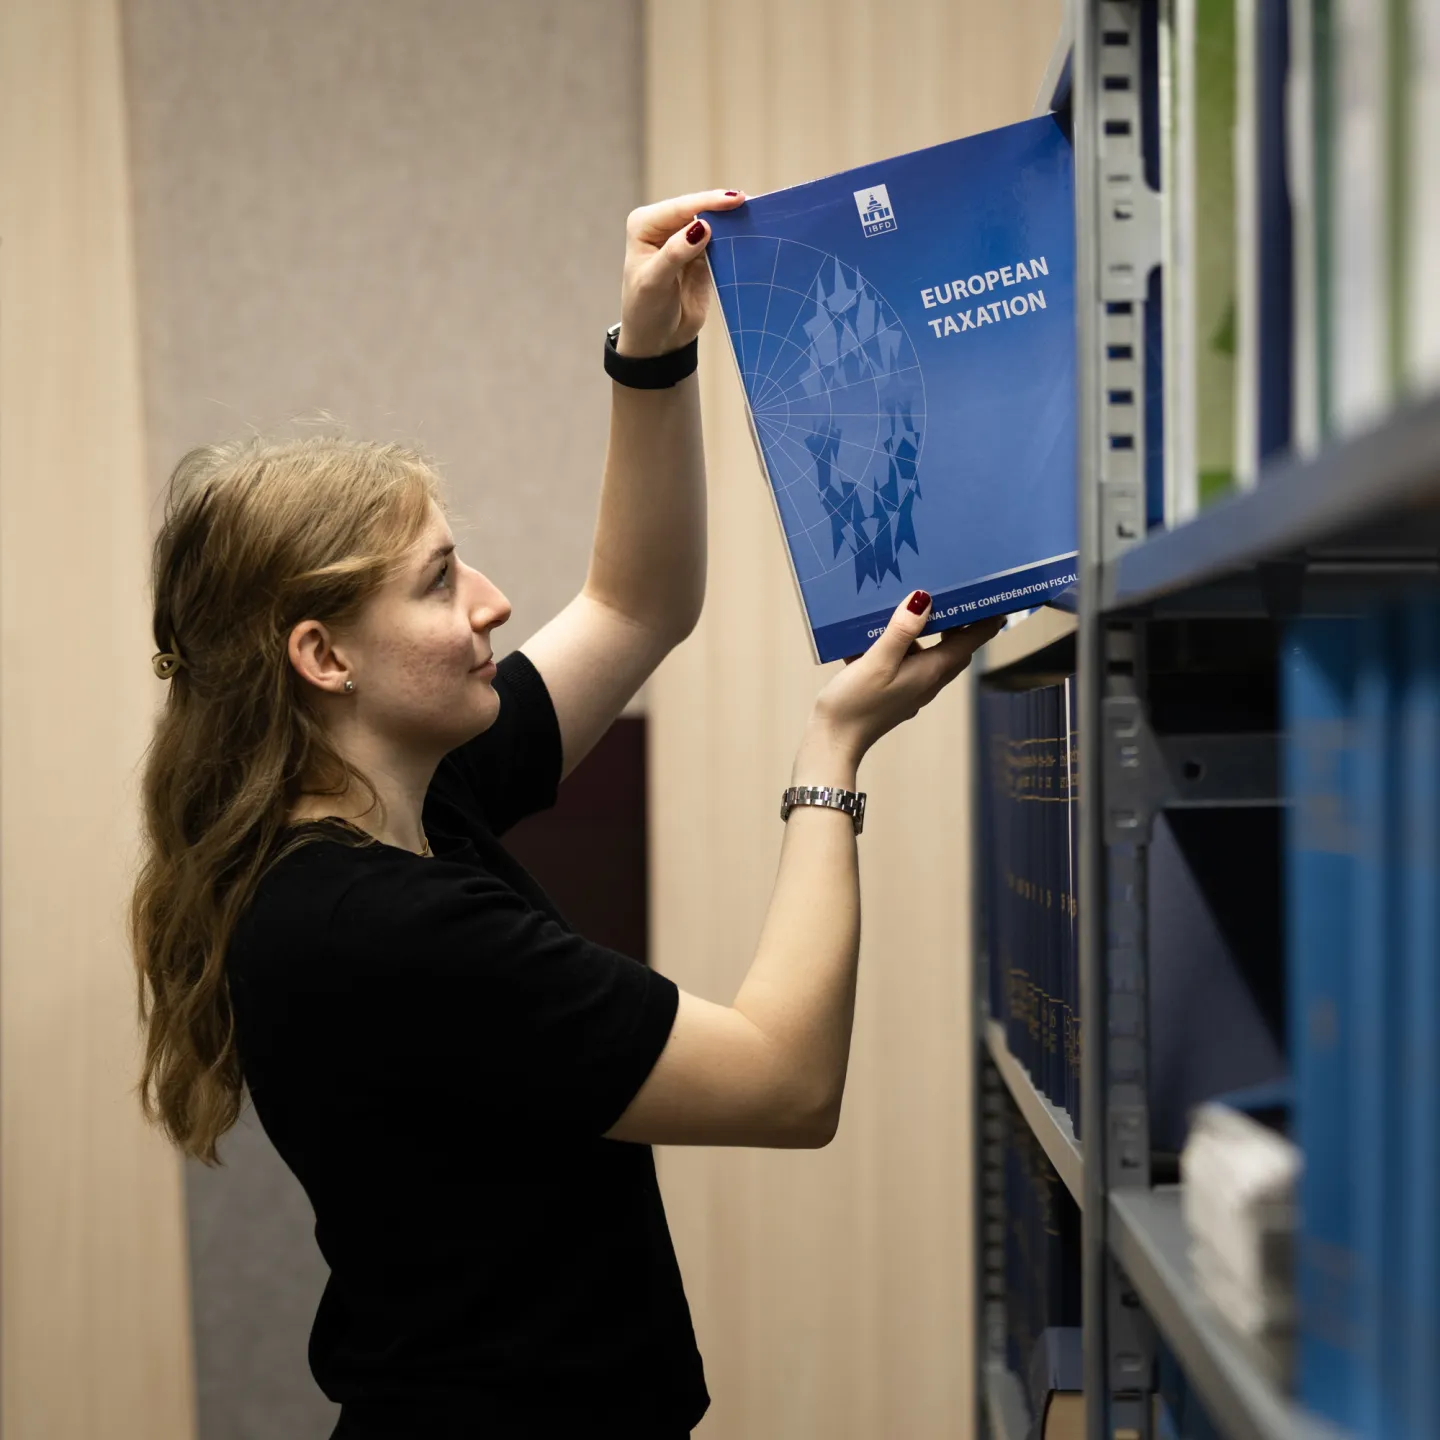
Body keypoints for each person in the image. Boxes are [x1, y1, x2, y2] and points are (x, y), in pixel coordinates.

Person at [129, 188, 1001, 1440]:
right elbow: (783, 1084)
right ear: (324, 657)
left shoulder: (407, 807)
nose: (490, 600)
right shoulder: (380, 925)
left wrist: (650, 350)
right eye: (438, 582)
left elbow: (637, 601)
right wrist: (835, 751)